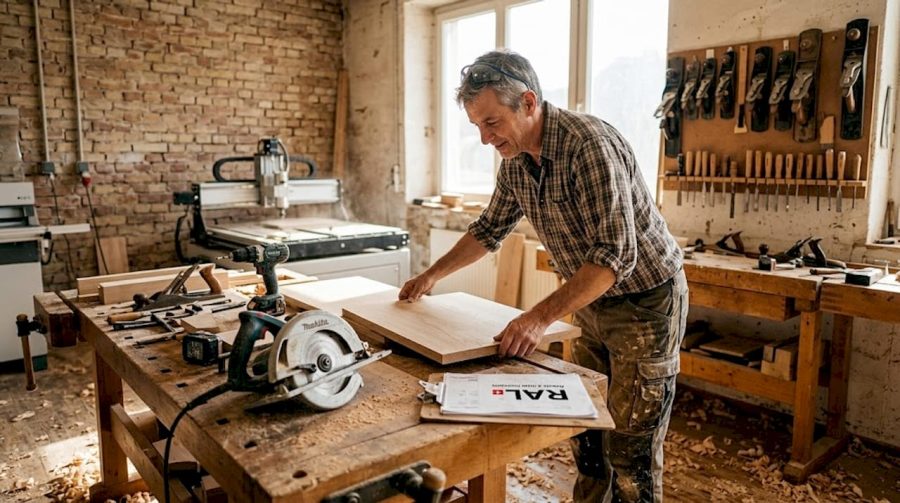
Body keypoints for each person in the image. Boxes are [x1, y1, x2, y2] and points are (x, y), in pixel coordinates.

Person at [399, 49, 688, 502]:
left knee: (631, 445)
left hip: (645, 301)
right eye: (477, 126)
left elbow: (614, 257)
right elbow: (488, 230)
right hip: (590, 299)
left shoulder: (588, 145)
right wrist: (430, 276)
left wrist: (535, 319)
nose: (484, 139)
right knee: (588, 434)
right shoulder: (515, 160)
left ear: (529, 103)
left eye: (491, 123)